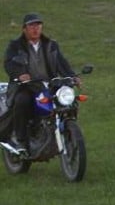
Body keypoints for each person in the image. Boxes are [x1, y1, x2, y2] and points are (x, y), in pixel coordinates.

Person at [3, 13, 78, 156]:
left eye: (38, 25)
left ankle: (67, 131)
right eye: (31, 25)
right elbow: (9, 64)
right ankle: (21, 141)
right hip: (26, 86)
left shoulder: (50, 45)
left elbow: (61, 63)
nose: (35, 28)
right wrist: (20, 74)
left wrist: (72, 77)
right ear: (24, 29)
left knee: (68, 101)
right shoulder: (15, 45)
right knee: (22, 101)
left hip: (49, 85)